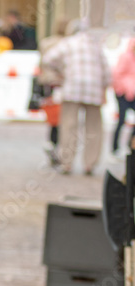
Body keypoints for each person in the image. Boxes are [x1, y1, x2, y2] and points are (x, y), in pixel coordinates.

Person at [41, 21, 112, 175]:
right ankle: (90, 164)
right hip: (94, 88)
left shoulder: (68, 43)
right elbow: (107, 71)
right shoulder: (96, 45)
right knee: (93, 128)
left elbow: (48, 58)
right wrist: (104, 89)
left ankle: (67, 163)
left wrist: (60, 73)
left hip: (72, 86)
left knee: (69, 125)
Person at [37, 19, 69, 166]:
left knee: (52, 117)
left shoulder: (46, 42)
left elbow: (41, 64)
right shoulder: (67, 44)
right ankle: (58, 147)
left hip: (47, 84)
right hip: (61, 83)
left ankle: (51, 143)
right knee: (62, 117)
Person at [112, 36, 135, 156]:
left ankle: (131, 147)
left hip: (133, 94)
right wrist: (123, 89)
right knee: (121, 120)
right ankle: (115, 148)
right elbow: (117, 74)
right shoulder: (125, 57)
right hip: (123, 93)